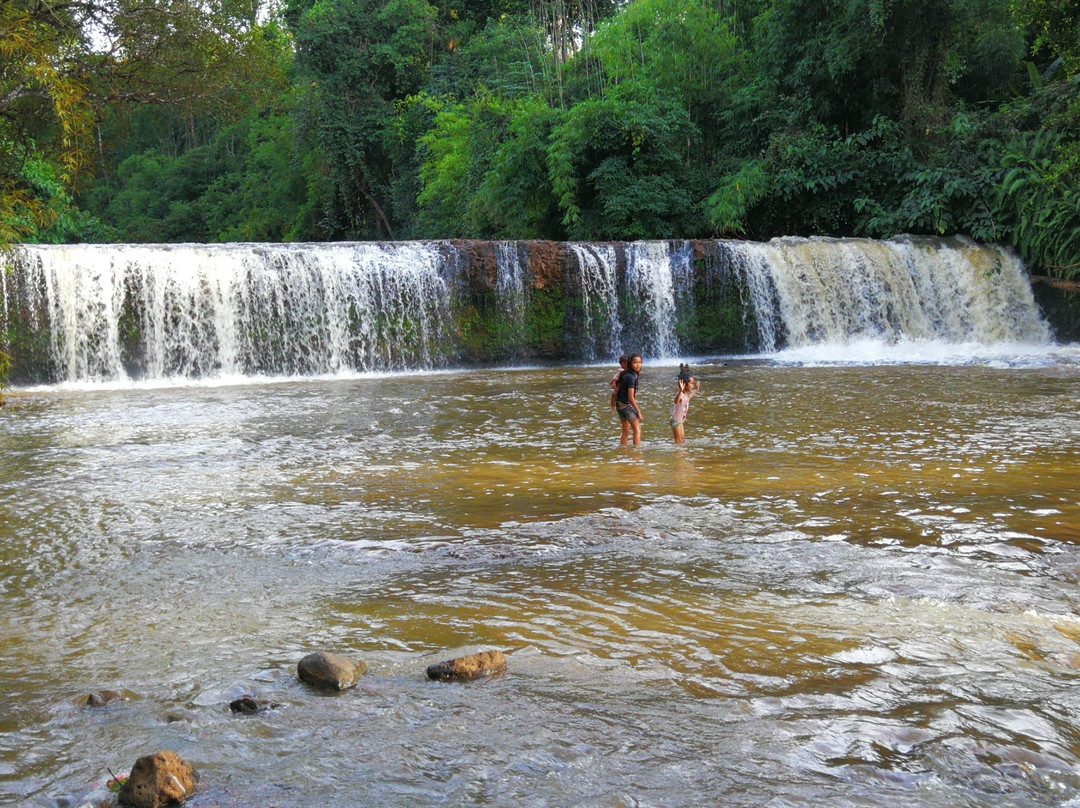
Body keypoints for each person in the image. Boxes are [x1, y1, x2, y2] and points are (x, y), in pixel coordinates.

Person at [615, 353, 644, 446]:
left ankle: (623, 450)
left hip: (619, 404)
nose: (638, 365)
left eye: (640, 362)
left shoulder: (625, 373)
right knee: (637, 429)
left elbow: (616, 386)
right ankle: (637, 451)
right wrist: (639, 412)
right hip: (626, 405)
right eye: (635, 363)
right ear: (630, 363)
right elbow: (631, 398)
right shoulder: (631, 378)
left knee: (626, 431)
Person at [671, 374, 700, 444]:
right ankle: (676, 450)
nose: (692, 386)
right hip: (676, 421)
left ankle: (679, 450)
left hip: (680, 421)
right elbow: (676, 401)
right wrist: (680, 390)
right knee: (678, 441)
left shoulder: (686, 396)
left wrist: (696, 389)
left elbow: (690, 395)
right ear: (685, 384)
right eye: (691, 384)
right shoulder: (680, 395)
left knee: (682, 440)